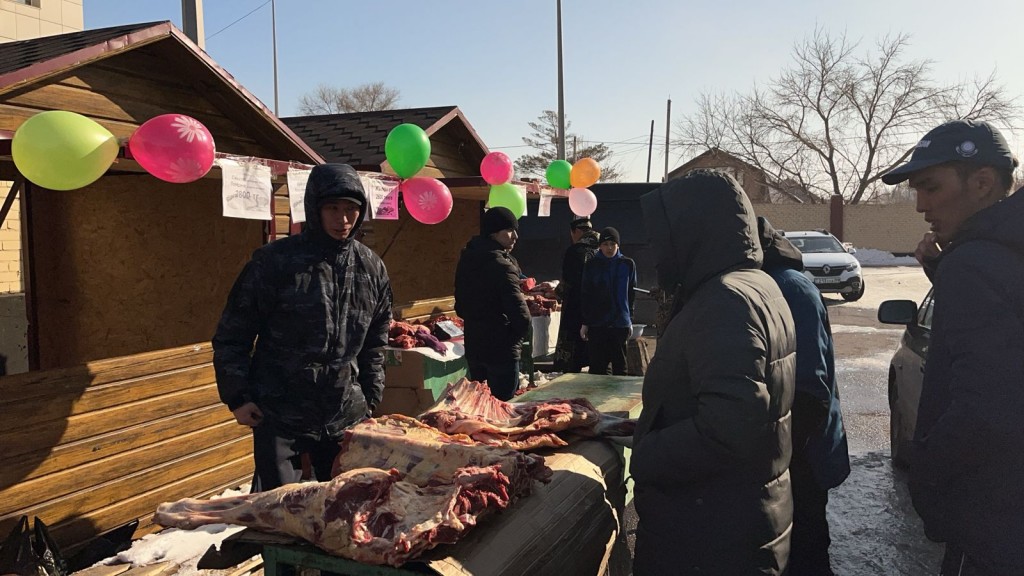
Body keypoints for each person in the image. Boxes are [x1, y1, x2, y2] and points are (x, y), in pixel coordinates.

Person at [630, 169, 796, 575]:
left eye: (663, 236)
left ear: (692, 230)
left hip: (711, 537)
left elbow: (728, 428)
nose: (657, 249)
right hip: (735, 518)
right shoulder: (756, 284)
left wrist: (645, 451)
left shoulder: (726, 299)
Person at [881, 119, 1024, 575]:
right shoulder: (1002, 252)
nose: (921, 205)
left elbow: (986, 404)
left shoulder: (974, 264)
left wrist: (927, 479)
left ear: (982, 182)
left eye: (930, 187)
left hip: (992, 519)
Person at [212, 163, 393, 492]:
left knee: (345, 508)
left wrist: (370, 396)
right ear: (314, 208)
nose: (343, 220)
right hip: (281, 413)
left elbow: (376, 341)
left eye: (351, 210)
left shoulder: (371, 267)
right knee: (280, 513)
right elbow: (232, 336)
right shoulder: (274, 262)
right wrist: (237, 396)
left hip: (345, 412)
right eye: (333, 209)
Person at [758, 216, 850, 576]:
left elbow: (811, 390)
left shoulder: (791, 288)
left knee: (806, 551)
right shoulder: (775, 284)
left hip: (805, 458)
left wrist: (780, 457)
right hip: (794, 455)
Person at [454, 207, 531, 401]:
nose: (515, 237)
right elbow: (521, 318)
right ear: (493, 232)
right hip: (501, 351)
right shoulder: (501, 265)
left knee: (480, 408)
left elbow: (460, 307)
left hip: (475, 348)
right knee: (504, 410)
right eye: (509, 230)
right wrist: (512, 341)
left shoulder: (467, 259)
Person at [579, 227, 636, 375]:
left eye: (613, 244)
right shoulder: (592, 265)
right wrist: (585, 322)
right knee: (598, 368)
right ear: (600, 246)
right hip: (598, 322)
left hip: (620, 322)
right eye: (605, 244)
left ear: (618, 245)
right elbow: (586, 294)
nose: (609, 248)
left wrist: (630, 319)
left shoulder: (627, 264)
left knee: (620, 368)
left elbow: (631, 294)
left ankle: (619, 398)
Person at [552, 217, 600, 373]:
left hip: (575, 308)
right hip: (597, 309)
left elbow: (568, 283)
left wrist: (555, 292)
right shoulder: (603, 248)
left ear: (576, 232)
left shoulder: (574, 251)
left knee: (573, 358)